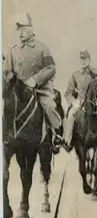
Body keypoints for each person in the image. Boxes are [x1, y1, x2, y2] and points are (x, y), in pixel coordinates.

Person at [3, 13, 64, 147]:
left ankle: (56, 134)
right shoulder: (13, 50)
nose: (21, 33)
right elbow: (6, 70)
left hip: (39, 89)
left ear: (31, 29)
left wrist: (35, 80)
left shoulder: (42, 48)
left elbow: (51, 68)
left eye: (24, 29)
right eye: (19, 30)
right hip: (17, 91)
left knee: (49, 106)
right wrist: (13, 79)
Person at [63, 50, 97, 151]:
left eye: (85, 59)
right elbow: (68, 93)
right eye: (81, 59)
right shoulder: (76, 74)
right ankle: (68, 141)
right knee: (70, 115)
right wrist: (73, 102)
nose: (83, 62)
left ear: (89, 60)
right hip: (80, 100)